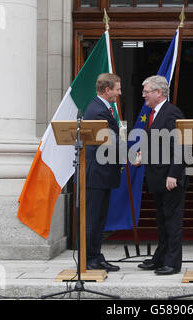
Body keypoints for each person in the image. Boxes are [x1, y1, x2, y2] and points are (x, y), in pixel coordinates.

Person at [136, 75, 187, 275]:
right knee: (162, 221)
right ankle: (160, 258)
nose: (143, 96)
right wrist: (143, 156)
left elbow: (179, 145)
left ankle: (173, 263)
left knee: (172, 222)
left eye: (146, 92)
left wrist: (174, 174)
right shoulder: (155, 113)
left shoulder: (171, 113)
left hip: (169, 179)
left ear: (159, 92)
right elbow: (160, 144)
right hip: (157, 178)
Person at [84, 73, 122, 272]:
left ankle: (96, 256)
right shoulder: (97, 111)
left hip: (102, 174)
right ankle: (89, 258)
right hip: (97, 174)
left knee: (99, 219)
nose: (119, 93)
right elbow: (110, 142)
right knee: (93, 218)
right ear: (107, 90)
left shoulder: (102, 108)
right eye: (117, 89)